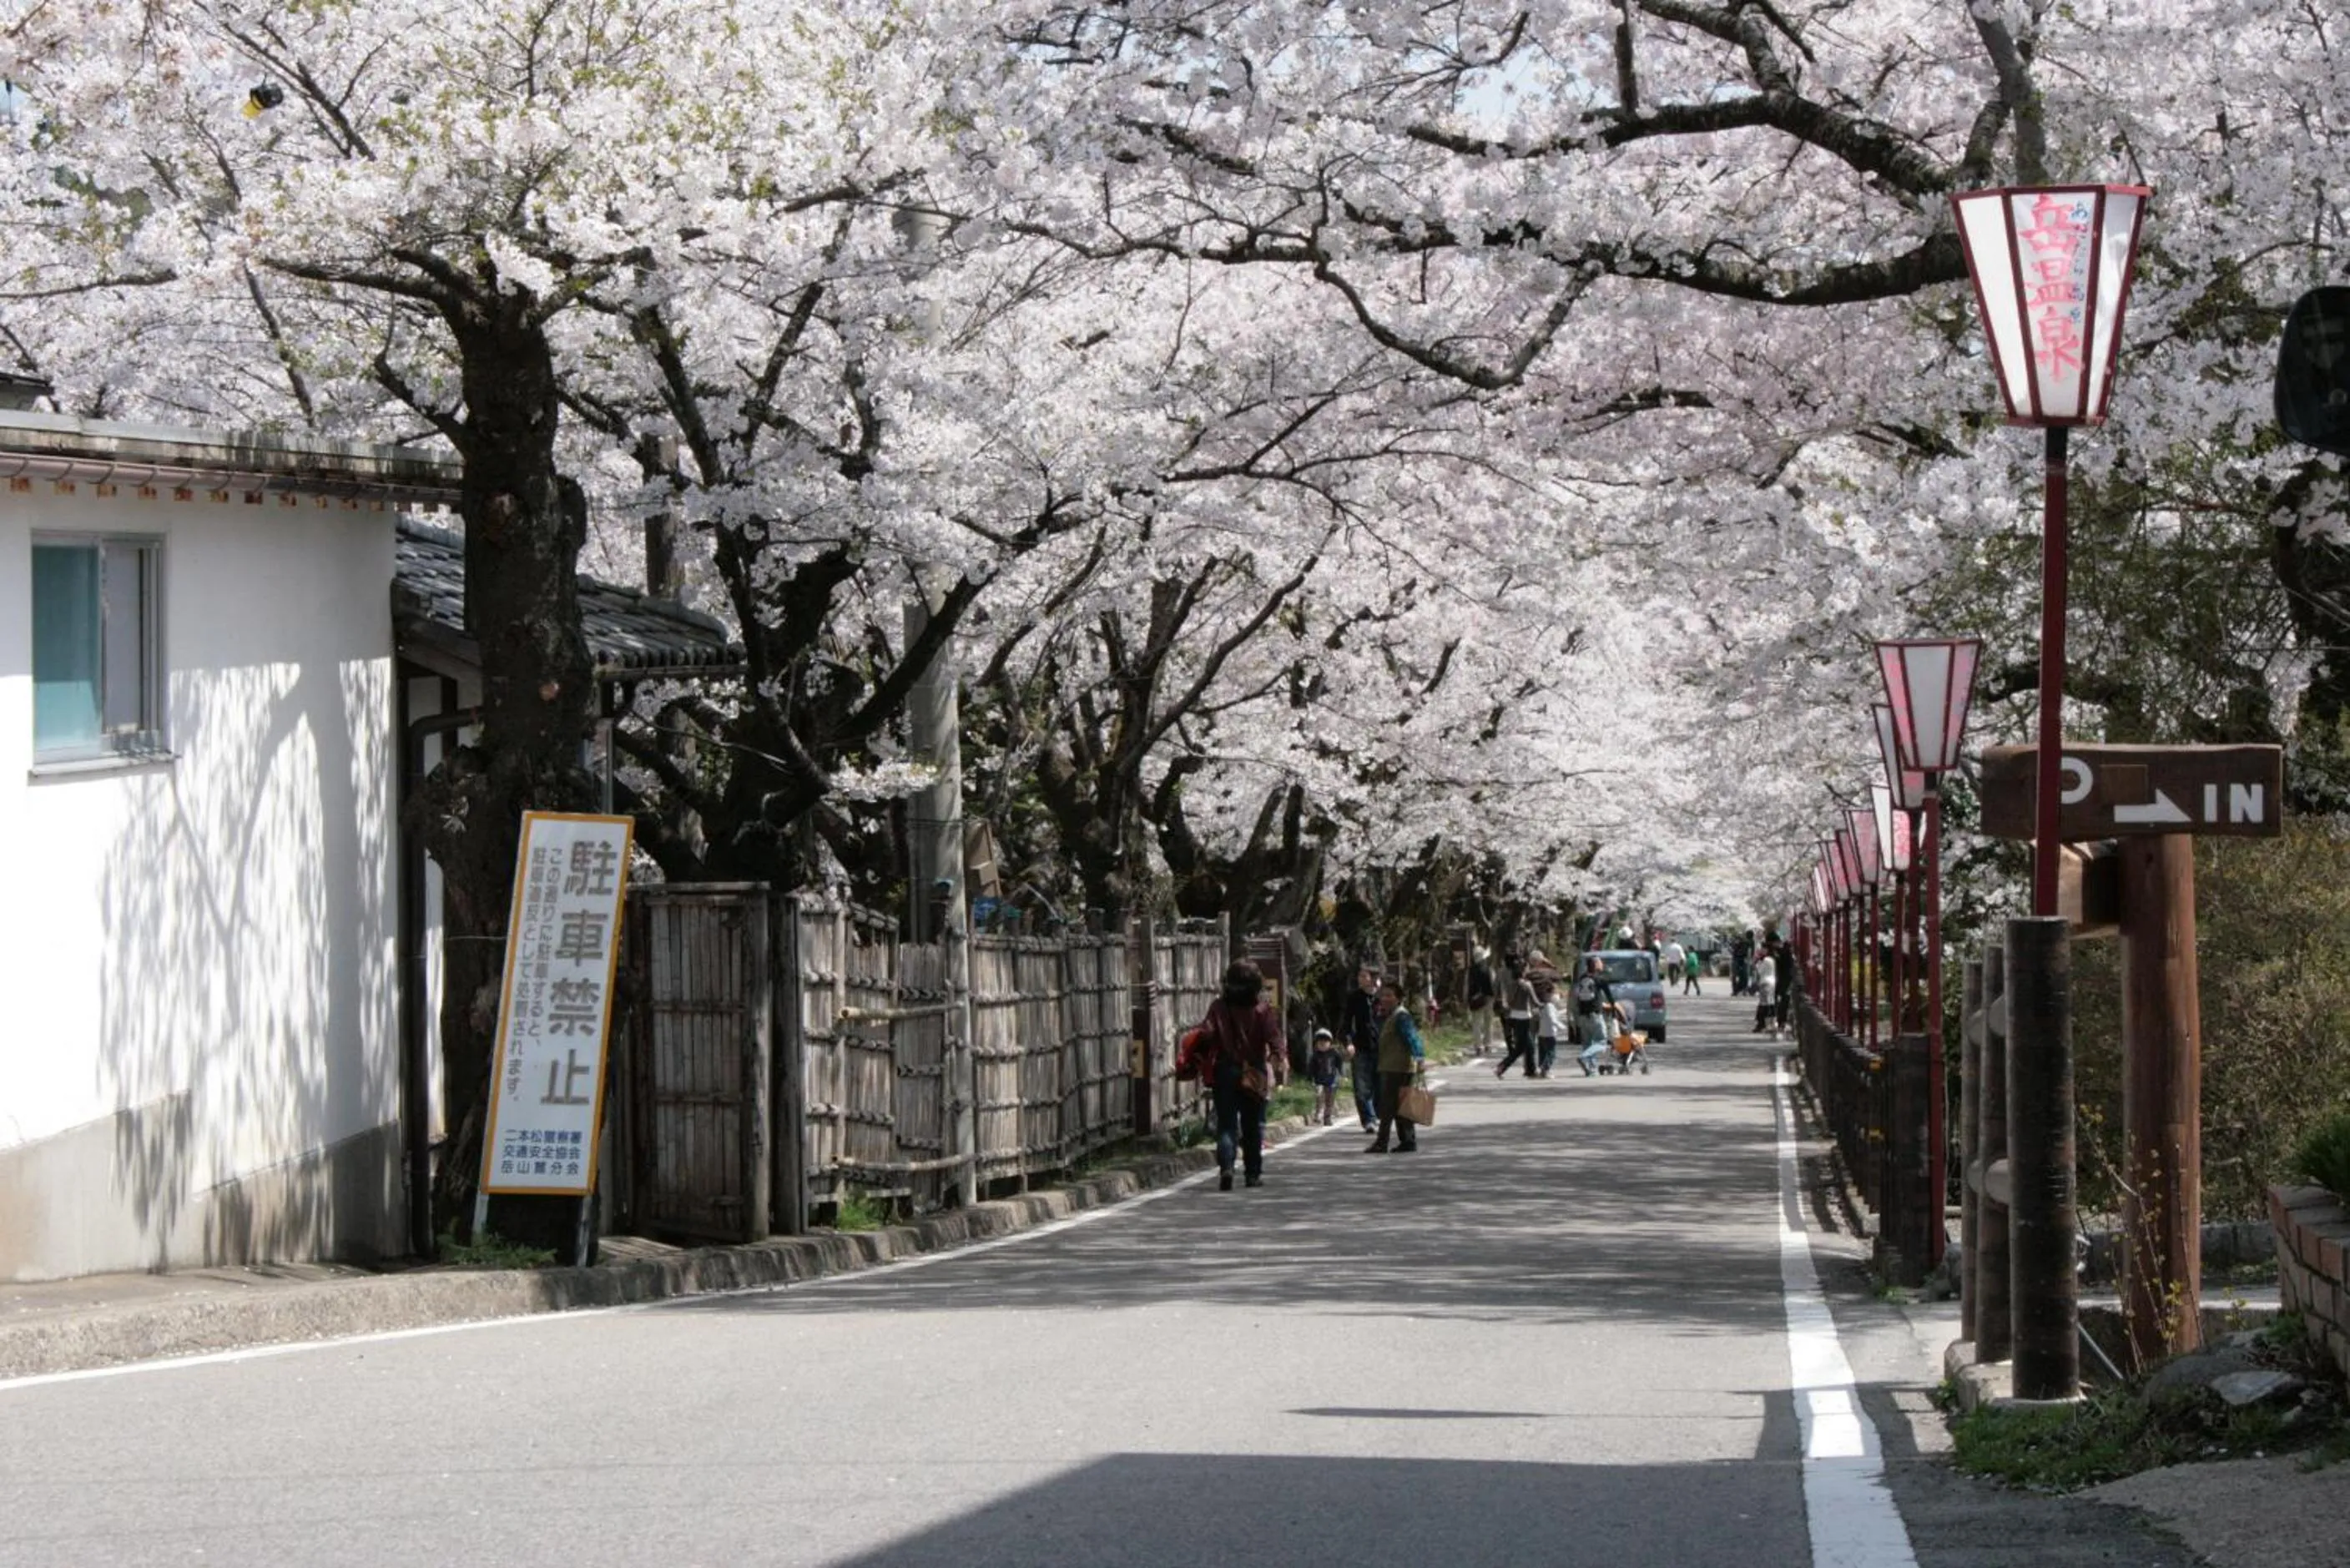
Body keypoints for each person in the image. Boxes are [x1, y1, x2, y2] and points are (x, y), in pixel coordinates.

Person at [1197, 959, 1286, 1189]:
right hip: (1254, 1070)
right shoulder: (1262, 1009)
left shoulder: (1219, 1007)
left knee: (1226, 1123)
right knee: (1252, 1124)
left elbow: (1206, 1034)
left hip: (1225, 1069)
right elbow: (1274, 1037)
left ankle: (1227, 1168)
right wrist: (1278, 1057)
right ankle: (1252, 1174)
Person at [1366, 979, 1426, 1153]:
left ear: (1398, 998)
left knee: (1388, 1107)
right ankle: (1407, 1141)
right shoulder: (1391, 1016)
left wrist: (1420, 1057)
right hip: (1392, 1067)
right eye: (1383, 995)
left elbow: (1412, 1038)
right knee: (1401, 1107)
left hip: (1397, 1069)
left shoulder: (1401, 1016)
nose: (1385, 998)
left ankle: (1382, 1142)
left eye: (1389, 995)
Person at [1342, 964, 1382, 1132]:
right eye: (1359, 976)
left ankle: (1378, 1115)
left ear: (1373, 979)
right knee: (1361, 1086)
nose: (1360, 979)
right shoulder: (1354, 998)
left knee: (1379, 1084)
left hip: (1381, 1048)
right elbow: (1345, 1024)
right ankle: (1369, 1120)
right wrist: (1348, 1043)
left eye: (1364, 976)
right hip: (1361, 1048)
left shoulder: (1383, 997)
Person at [1495, 954, 1541, 1079]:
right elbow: (1535, 1002)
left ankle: (1531, 1070)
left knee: (1528, 1045)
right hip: (1524, 1017)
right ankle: (1502, 1066)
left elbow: (1508, 1000)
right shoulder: (1527, 985)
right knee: (1521, 1047)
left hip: (1513, 1016)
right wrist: (1546, 1003)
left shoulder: (1512, 984)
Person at [1572, 954, 1620, 1076]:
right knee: (1601, 1042)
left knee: (1587, 1043)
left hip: (1583, 1015)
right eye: (1600, 962)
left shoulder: (1582, 978)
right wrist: (1614, 1008)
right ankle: (1584, 1057)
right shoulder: (1600, 979)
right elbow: (1610, 997)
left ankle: (1591, 1069)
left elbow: (1577, 997)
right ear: (1595, 965)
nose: (1602, 964)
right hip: (1595, 1015)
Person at [1307, 1026, 1344, 1125]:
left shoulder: (1334, 1053)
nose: (1322, 1044)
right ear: (1316, 1044)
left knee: (1329, 1100)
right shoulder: (1315, 1056)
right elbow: (1311, 1068)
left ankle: (1327, 1118)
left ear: (1330, 1043)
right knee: (1319, 1096)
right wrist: (1310, 1077)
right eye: (1320, 1042)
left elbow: (1339, 1063)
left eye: (1325, 1041)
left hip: (1331, 1081)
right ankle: (1318, 1113)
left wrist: (1341, 1074)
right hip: (1319, 1080)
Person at [1465, 949, 1496, 1056]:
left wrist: (1468, 998)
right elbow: (1493, 984)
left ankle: (1478, 1046)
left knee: (1476, 1023)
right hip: (1488, 998)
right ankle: (1488, 1044)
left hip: (1475, 999)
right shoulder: (1489, 969)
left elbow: (1467, 986)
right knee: (1488, 1022)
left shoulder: (1471, 970)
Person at [1752, 953, 1780, 1037]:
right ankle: (1772, 1024)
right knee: (1770, 1002)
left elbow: (1760, 971)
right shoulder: (1772, 960)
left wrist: (1756, 964)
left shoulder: (1765, 961)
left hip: (1765, 982)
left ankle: (1764, 1024)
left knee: (1764, 1003)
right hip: (1772, 981)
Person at [1773, 937, 1796, 1033]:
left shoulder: (1780, 955)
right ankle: (1782, 1021)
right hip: (1787, 982)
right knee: (1785, 1002)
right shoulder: (1789, 956)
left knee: (1780, 1002)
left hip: (1780, 981)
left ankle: (1779, 1020)